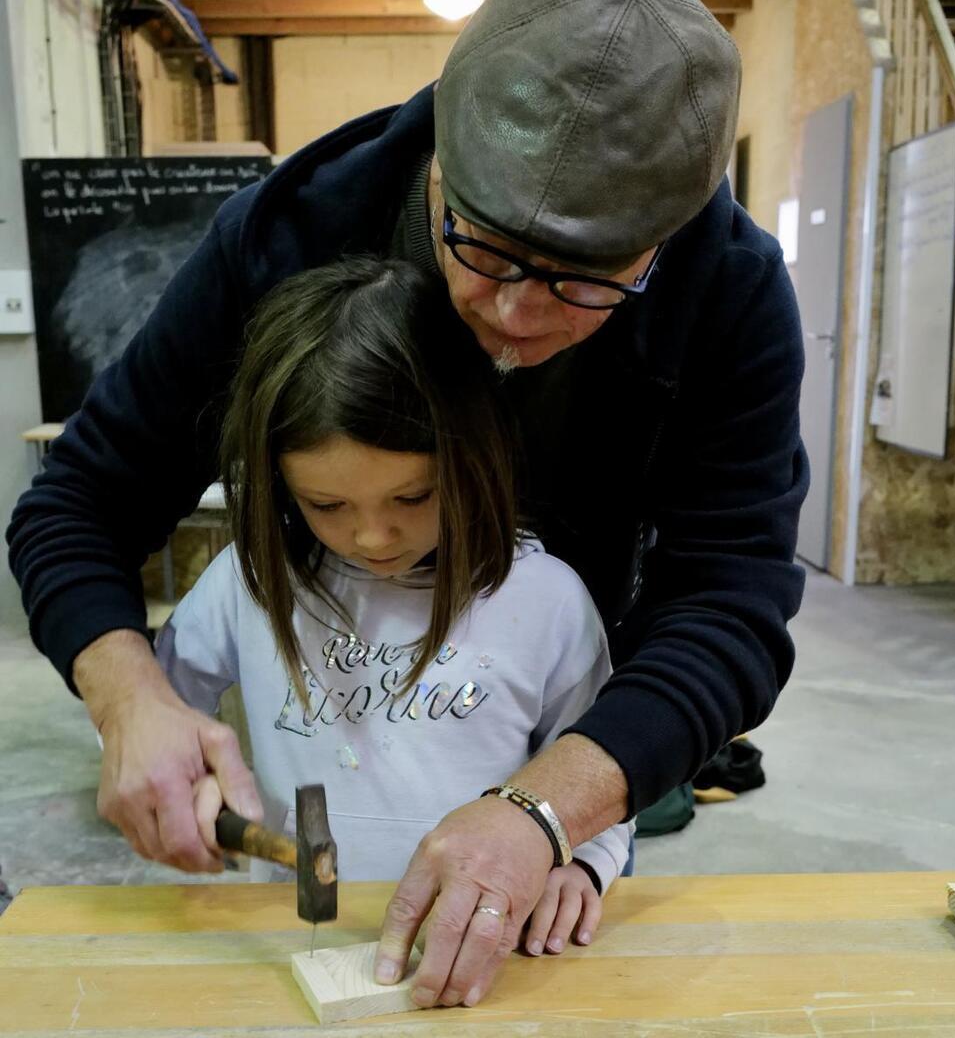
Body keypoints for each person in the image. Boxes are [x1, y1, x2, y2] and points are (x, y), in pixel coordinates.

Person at [7, 0, 808, 1009]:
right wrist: (131, 702)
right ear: (438, 164)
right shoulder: (288, 232)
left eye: (584, 280)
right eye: (483, 251)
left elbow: (731, 603)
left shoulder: (730, 292)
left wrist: (548, 814)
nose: (516, 321)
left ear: (663, 238)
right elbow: (78, 502)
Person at [155, 257, 631, 961]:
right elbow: (156, 721)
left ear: (471, 456)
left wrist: (581, 860)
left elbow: (604, 774)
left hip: (482, 940)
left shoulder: (547, 598)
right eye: (327, 505)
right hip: (297, 939)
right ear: (282, 483)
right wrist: (180, 779)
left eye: (412, 496)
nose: (373, 536)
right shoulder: (249, 581)